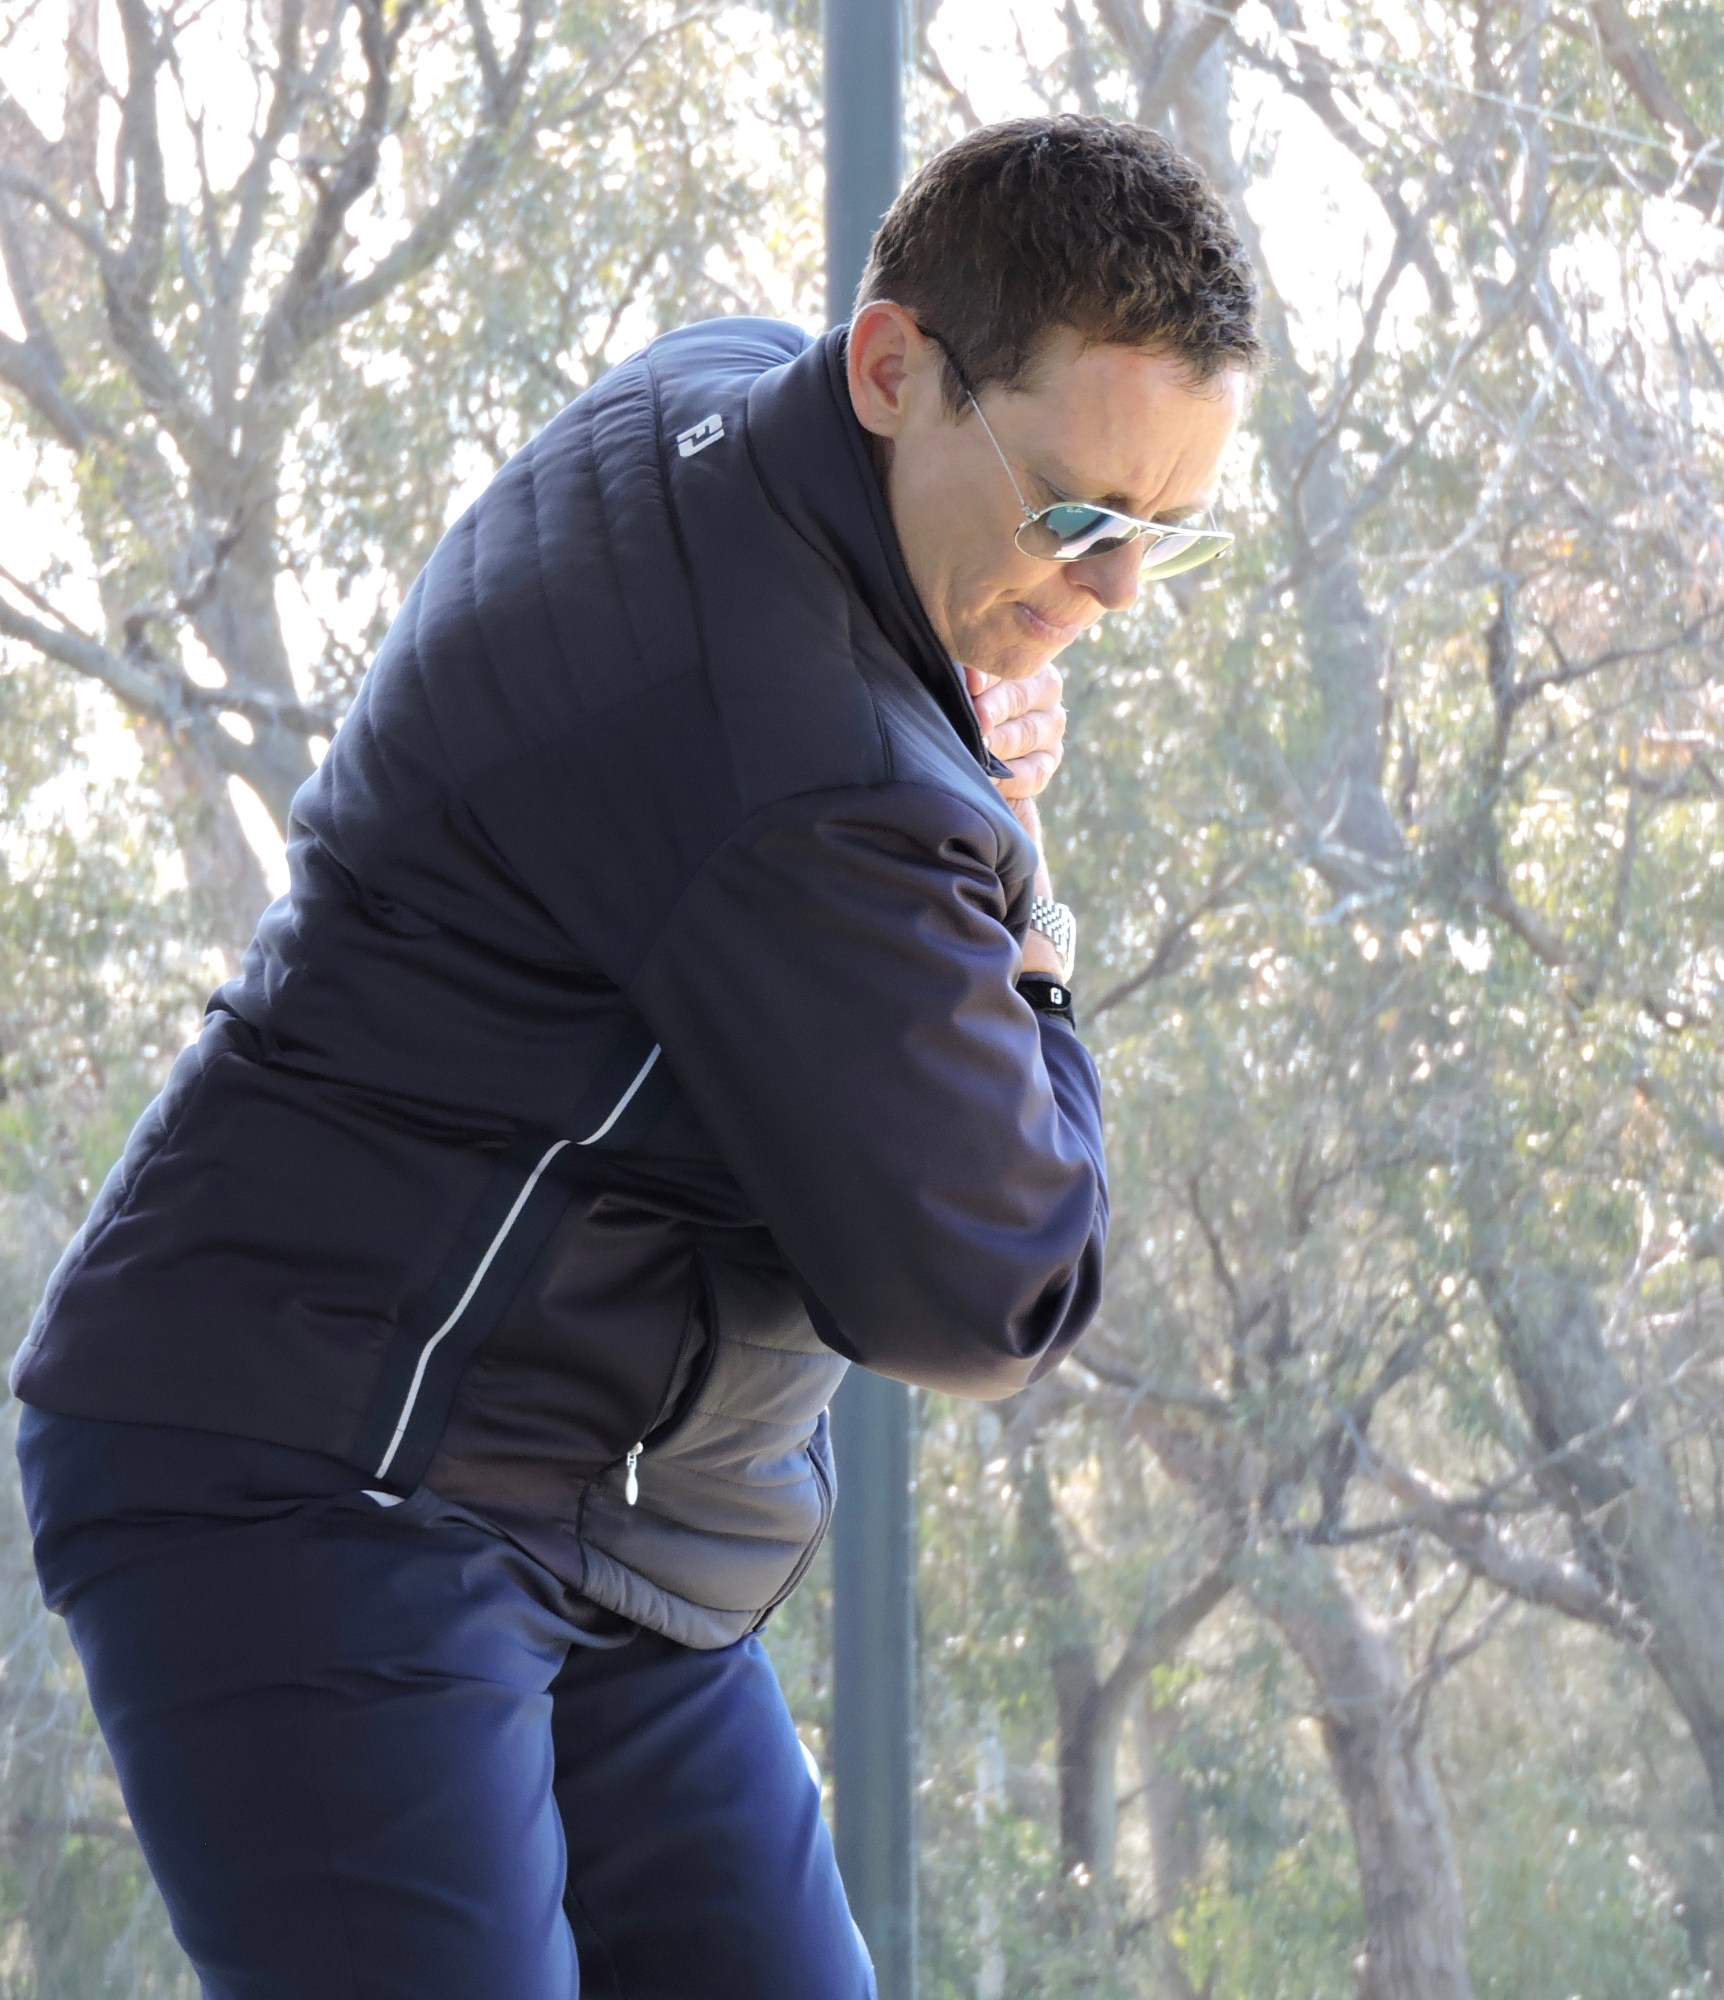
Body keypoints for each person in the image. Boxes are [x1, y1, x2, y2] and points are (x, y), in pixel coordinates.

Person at [9, 113, 1260, 1999]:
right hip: (319, 1475)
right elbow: (1000, 1285)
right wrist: (1023, 892)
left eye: (1167, 531)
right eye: (1077, 517)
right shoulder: (815, 773)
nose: (1115, 594)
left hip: (587, 1517)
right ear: (891, 369)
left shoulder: (719, 384)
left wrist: (950, 741)